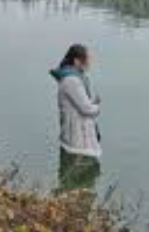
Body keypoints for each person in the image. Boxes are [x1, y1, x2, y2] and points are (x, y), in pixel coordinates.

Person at [50, 44, 102, 191]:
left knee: (77, 180)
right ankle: (72, 206)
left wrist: (91, 103)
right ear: (77, 61)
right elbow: (87, 110)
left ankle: (70, 204)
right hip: (78, 140)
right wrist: (97, 107)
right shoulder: (72, 80)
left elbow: (79, 104)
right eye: (88, 59)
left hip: (76, 136)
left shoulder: (73, 78)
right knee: (80, 181)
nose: (90, 62)